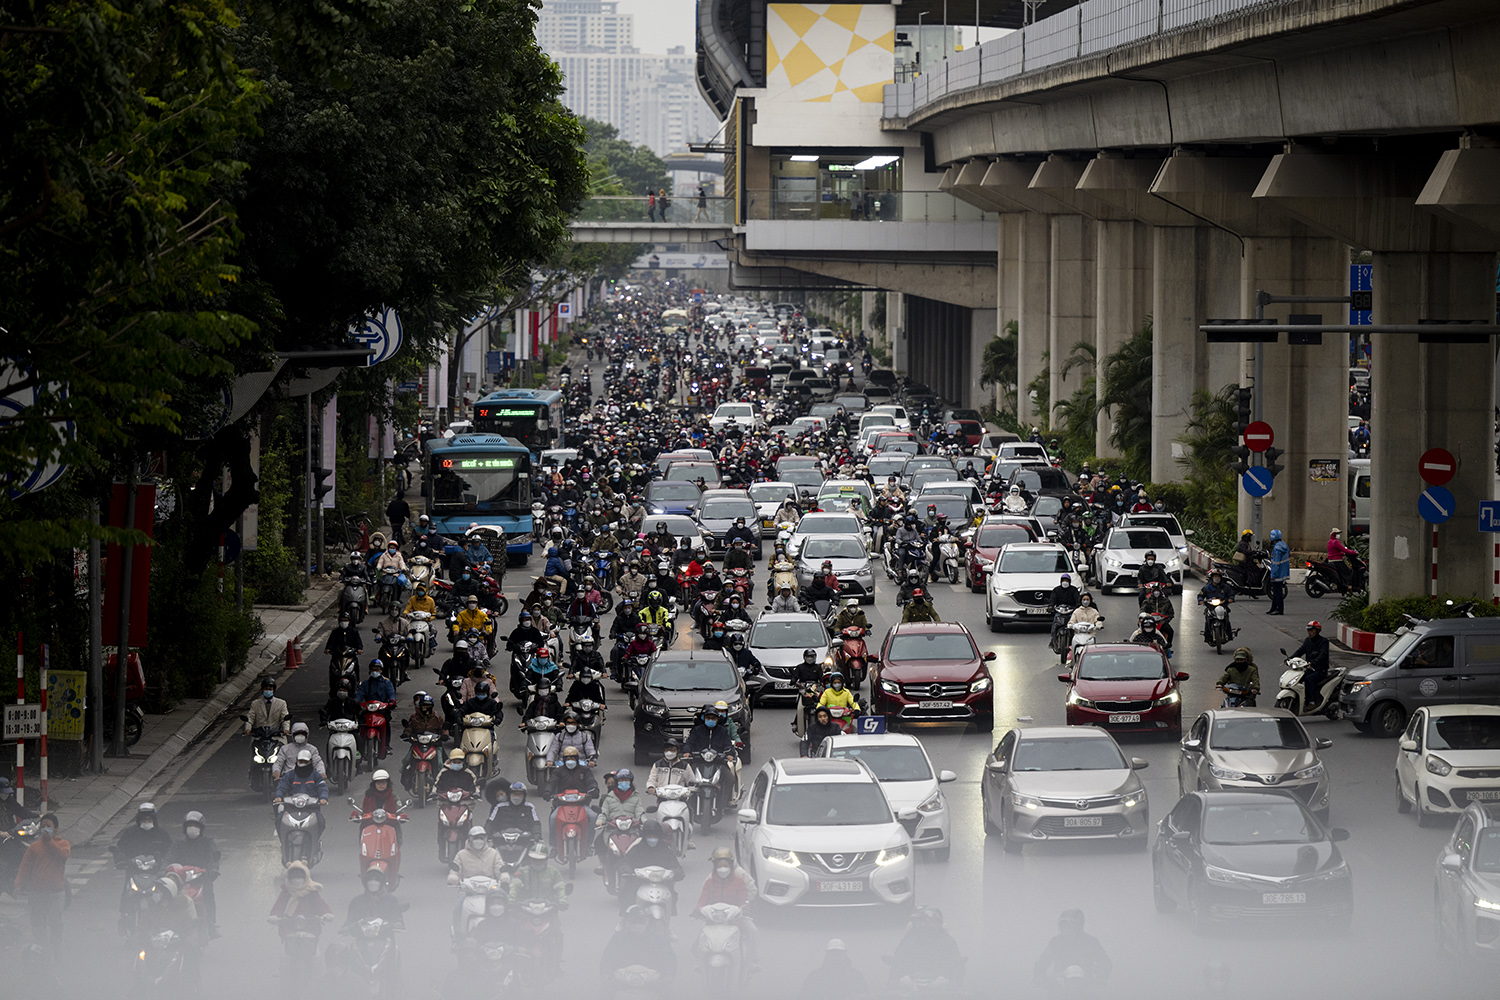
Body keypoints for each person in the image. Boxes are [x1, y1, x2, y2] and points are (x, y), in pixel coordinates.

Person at [694, 847, 759, 970]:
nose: (722, 869)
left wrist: (743, 908)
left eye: (725, 865)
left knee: (752, 930)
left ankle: (752, 961)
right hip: (714, 917)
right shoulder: (709, 881)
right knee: (702, 934)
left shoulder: (740, 879)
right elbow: (703, 898)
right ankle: (700, 962)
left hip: (736, 917)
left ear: (731, 865)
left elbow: (744, 897)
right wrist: (698, 909)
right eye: (719, 865)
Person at [13, 811, 68, 949]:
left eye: (48, 826)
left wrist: (50, 842)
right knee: (38, 923)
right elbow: (24, 867)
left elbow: (63, 856)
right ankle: (41, 948)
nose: (45, 829)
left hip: (56, 893)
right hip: (37, 893)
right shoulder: (34, 847)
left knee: (55, 922)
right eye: (43, 826)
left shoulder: (63, 844)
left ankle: (56, 947)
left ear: (55, 829)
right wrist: (18, 885)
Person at [169, 811, 221, 935]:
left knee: (208, 895)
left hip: (202, 878)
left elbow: (213, 859)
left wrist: (213, 870)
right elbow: (168, 859)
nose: (192, 828)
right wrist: (164, 870)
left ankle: (211, 925)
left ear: (201, 828)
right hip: (181, 880)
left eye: (195, 825)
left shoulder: (208, 843)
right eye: (189, 825)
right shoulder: (178, 844)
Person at [616, 819, 683, 914]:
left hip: (662, 883)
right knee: (627, 895)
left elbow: (676, 866)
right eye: (649, 836)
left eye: (655, 836)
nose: (652, 839)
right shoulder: (637, 848)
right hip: (638, 882)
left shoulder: (665, 850)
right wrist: (626, 869)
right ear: (644, 836)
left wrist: (676, 872)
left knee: (673, 895)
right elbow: (625, 861)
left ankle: (667, 921)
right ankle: (623, 922)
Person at [888, 906, 965, 986]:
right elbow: (898, 960)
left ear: (939, 923)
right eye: (924, 921)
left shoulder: (947, 940)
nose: (927, 925)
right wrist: (894, 980)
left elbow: (957, 963)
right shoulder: (909, 939)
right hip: (909, 984)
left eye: (932, 922)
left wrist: (954, 983)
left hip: (941, 984)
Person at [601, 904, 678, 982]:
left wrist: (669, 975)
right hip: (622, 981)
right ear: (628, 923)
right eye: (634, 921)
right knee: (606, 990)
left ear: (647, 922)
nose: (638, 924)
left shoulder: (659, 939)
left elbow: (669, 958)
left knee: (667, 992)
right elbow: (608, 956)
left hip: (653, 982)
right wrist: (606, 973)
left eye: (641, 921)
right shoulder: (618, 938)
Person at [1033, 908, 1111, 984]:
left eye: (1071, 924)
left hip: (1085, 988)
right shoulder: (1056, 941)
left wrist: (1101, 977)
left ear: (1079, 925)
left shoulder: (1091, 942)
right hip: (1059, 987)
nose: (1066, 928)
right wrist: (1039, 975)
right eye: (1063, 924)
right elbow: (1043, 961)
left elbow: (1105, 963)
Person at [267, 860, 333, 946]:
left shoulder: (312, 891)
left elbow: (320, 904)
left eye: (300, 878)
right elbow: (279, 905)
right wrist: (274, 915)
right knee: (285, 954)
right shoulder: (286, 892)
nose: (297, 881)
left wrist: (327, 913)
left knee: (316, 953)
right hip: (289, 926)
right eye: (293, 878)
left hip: (310, 925)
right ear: (289, 879)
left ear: (305, 878)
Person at [541, 749, 599, 844]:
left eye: (572, 758)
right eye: (567, 758)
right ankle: (554, 845)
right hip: (561, 804)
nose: (570, 760)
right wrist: (547, 792)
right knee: (553, 818)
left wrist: (593, 789)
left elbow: (591, 781)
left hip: (581, 804)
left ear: (577, 759)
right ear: (564, 760)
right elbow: (551, 782)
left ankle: (588, 844)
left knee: (592, 816)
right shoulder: (558, 771)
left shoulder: (585, 770)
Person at [800, 938, 868, 999]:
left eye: (838, 953)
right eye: (832, 953)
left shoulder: (856, 976)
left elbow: (865, 995)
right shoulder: (814, 976)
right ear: (827, 954)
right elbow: (804, 996)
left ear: (844, 953)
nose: (835, 956)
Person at [354, 663, 397, 756]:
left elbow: (391, 694)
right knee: (359, 724)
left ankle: (386, 745)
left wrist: (392, 702)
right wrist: (356, 701)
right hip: (368, 710)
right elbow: (360, 694)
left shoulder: (387, 683)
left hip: (382, 710)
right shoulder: (366, 684)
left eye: (377, 669)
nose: (375, 672)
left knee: (387, 723)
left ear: (381, 670)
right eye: (373, 669)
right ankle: (359, 746)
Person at [1290, 621, 1332, 707]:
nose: (1309, 632)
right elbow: (1300, 651)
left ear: (1317, 631)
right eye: (1308, 630)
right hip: (1310, 669)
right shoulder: (1307, 641)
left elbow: (1323, 655)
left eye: (1312, 630)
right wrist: (1290, 658)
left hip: (1320, 670)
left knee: (1309, 680)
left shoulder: (1323, 641)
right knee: (1297, 678)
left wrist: (1314, 663)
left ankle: (1311, 702)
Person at [1139, 582, 1175, 649]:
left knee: (1170, 631)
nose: (1156, 592)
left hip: (1162, 622)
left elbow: (1171, 613)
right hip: (1149, 622)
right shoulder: (1147, 601)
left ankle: (1168, 646)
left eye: (1158, 590)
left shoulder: (1166, 601)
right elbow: (1142, 610)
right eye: (1155, 590)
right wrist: (1145, 617)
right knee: (1138, 632)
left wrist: (1165, 621)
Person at [1048, 574, 1082, 644]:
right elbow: (1053, 599)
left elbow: (1077, 599)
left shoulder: (1073, 590)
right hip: (1059, 611)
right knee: (1054, 624)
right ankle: (1052, 640)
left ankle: (1077, 640)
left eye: (1066, 580)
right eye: (1063, 580)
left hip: (1071, 610)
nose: (1065, 582)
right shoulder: (1056, 590)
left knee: (1075, 625)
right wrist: (1050, 606)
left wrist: (1077, 606)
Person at [1266, 528, 1290, 615]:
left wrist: (1273, 574)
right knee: (1277, 591)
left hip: (1277, 574)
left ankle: (1279, 609)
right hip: (1283, 573)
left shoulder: (1277, 549)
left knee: (1277, 592)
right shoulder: (1284, 546)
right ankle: (1273, 608)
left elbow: (1275, 563)